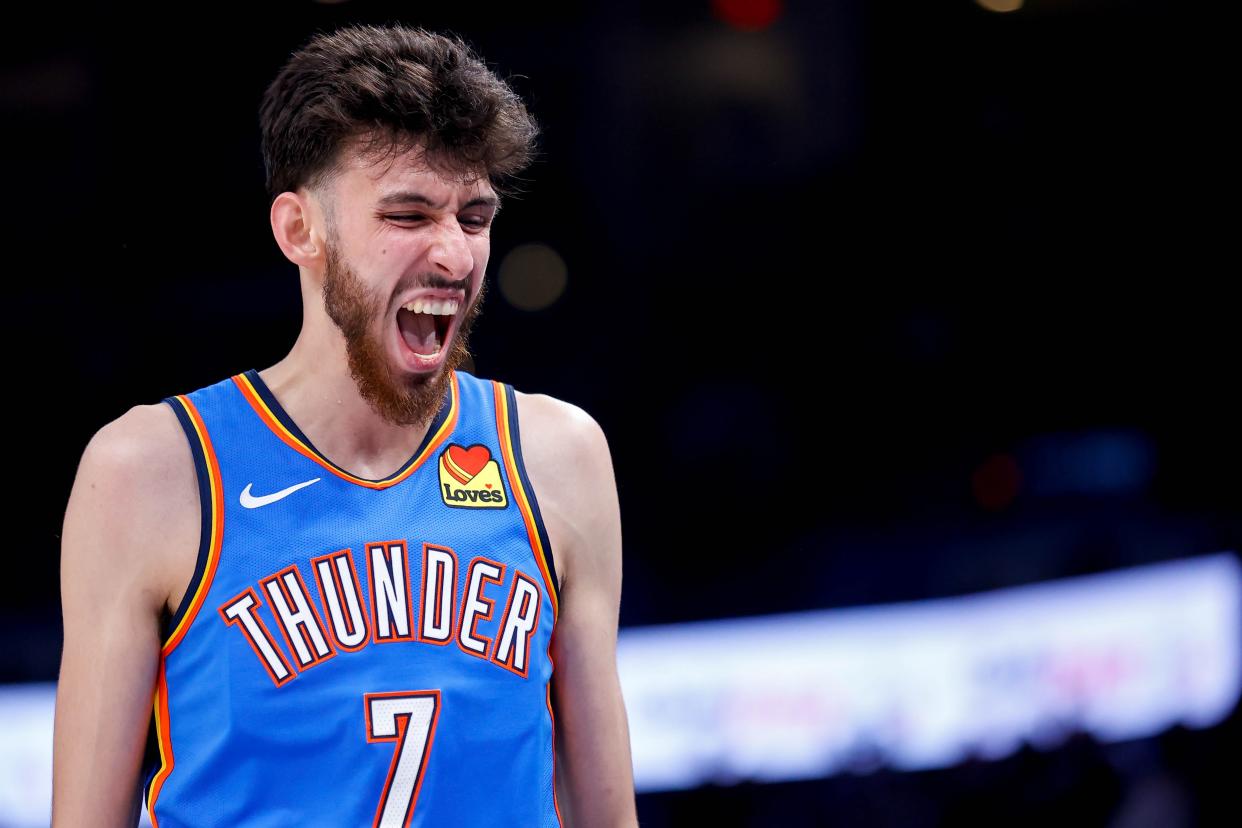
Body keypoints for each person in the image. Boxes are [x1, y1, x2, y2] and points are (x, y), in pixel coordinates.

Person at [52, 23, 637, 827]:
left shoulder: (559, 454)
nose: (456, 255)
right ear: (300, 230)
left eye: (474, 216)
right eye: (407, 215)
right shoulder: (148, 470)